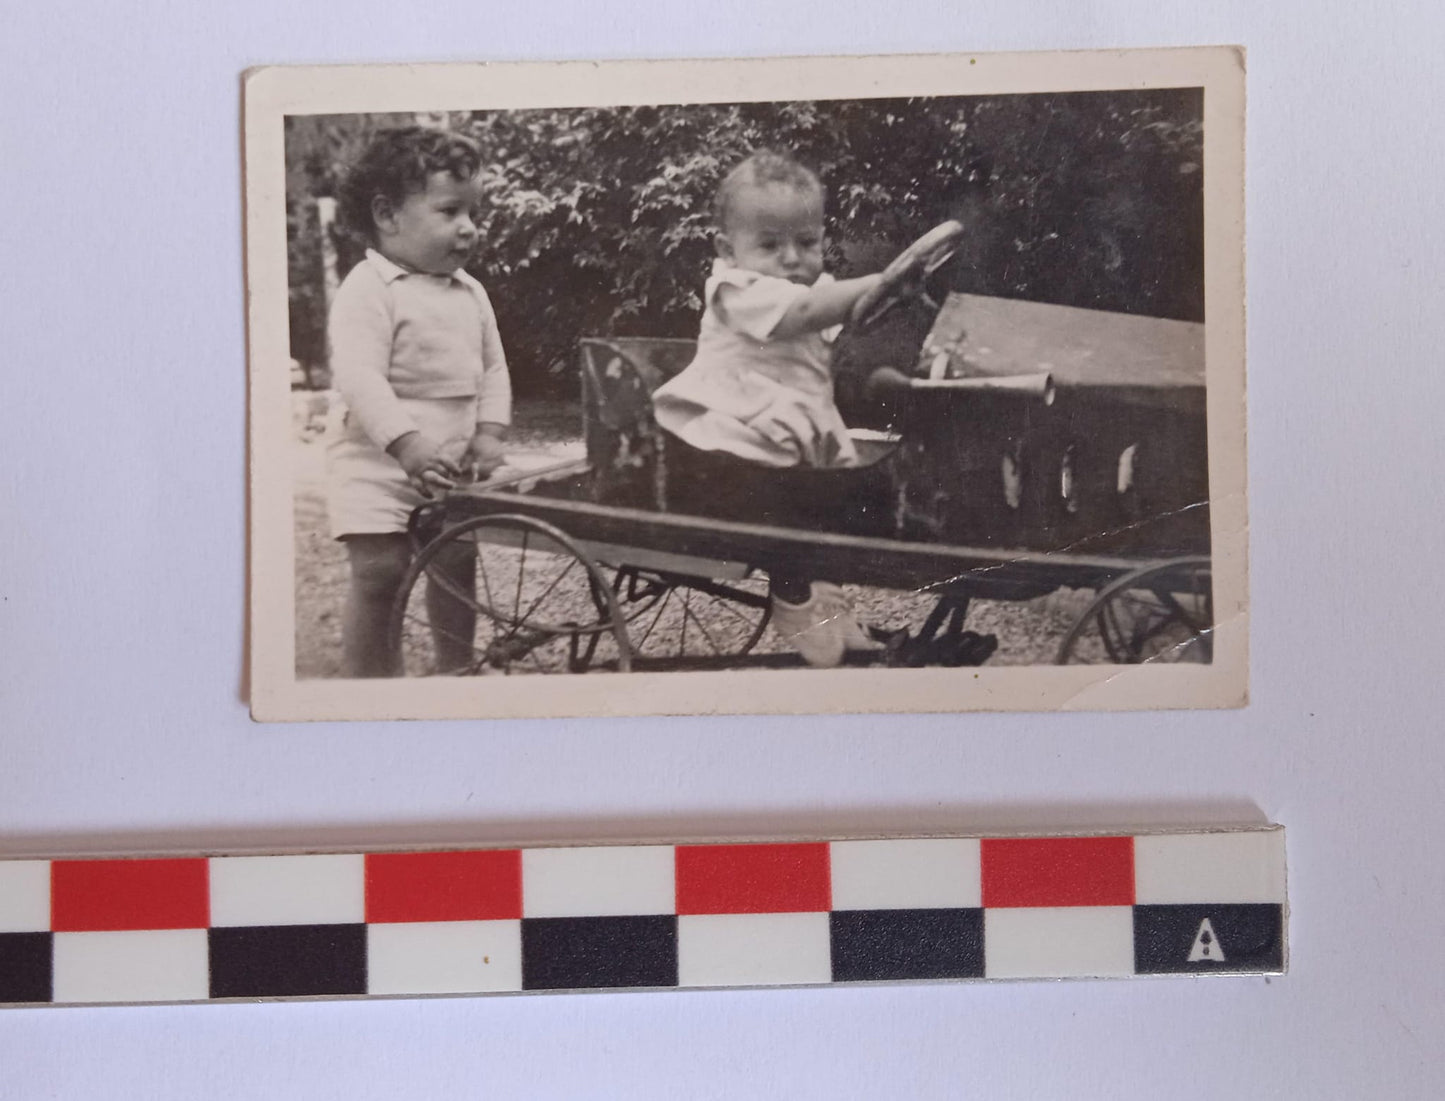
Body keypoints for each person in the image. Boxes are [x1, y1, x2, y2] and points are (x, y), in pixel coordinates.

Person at [652, 149, 889, 668]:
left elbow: (826, 310)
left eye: (806, 243)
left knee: (837, 499)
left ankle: (826, 600)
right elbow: (800, 315)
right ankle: (792, 597)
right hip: (733, 439)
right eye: (770, 244)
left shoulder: (812, 286)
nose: (791, 259)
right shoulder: (735, 287)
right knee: (783, 503)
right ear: (727, 248)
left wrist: (888, 294)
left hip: (788, 430)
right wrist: (877, 282)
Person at [324, 126, 511, 677]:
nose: (468, 228)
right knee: (380, 573)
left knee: (456, 560)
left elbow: (494, 367)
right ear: (387, 216)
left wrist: (489, 434)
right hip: (375, 463)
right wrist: (405, 444)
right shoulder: (369, 288)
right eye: (450, 211)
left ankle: (456, 669)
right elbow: (359, 377)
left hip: (450, 465)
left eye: (472, 213)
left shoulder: (470, 292)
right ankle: (374, 688)